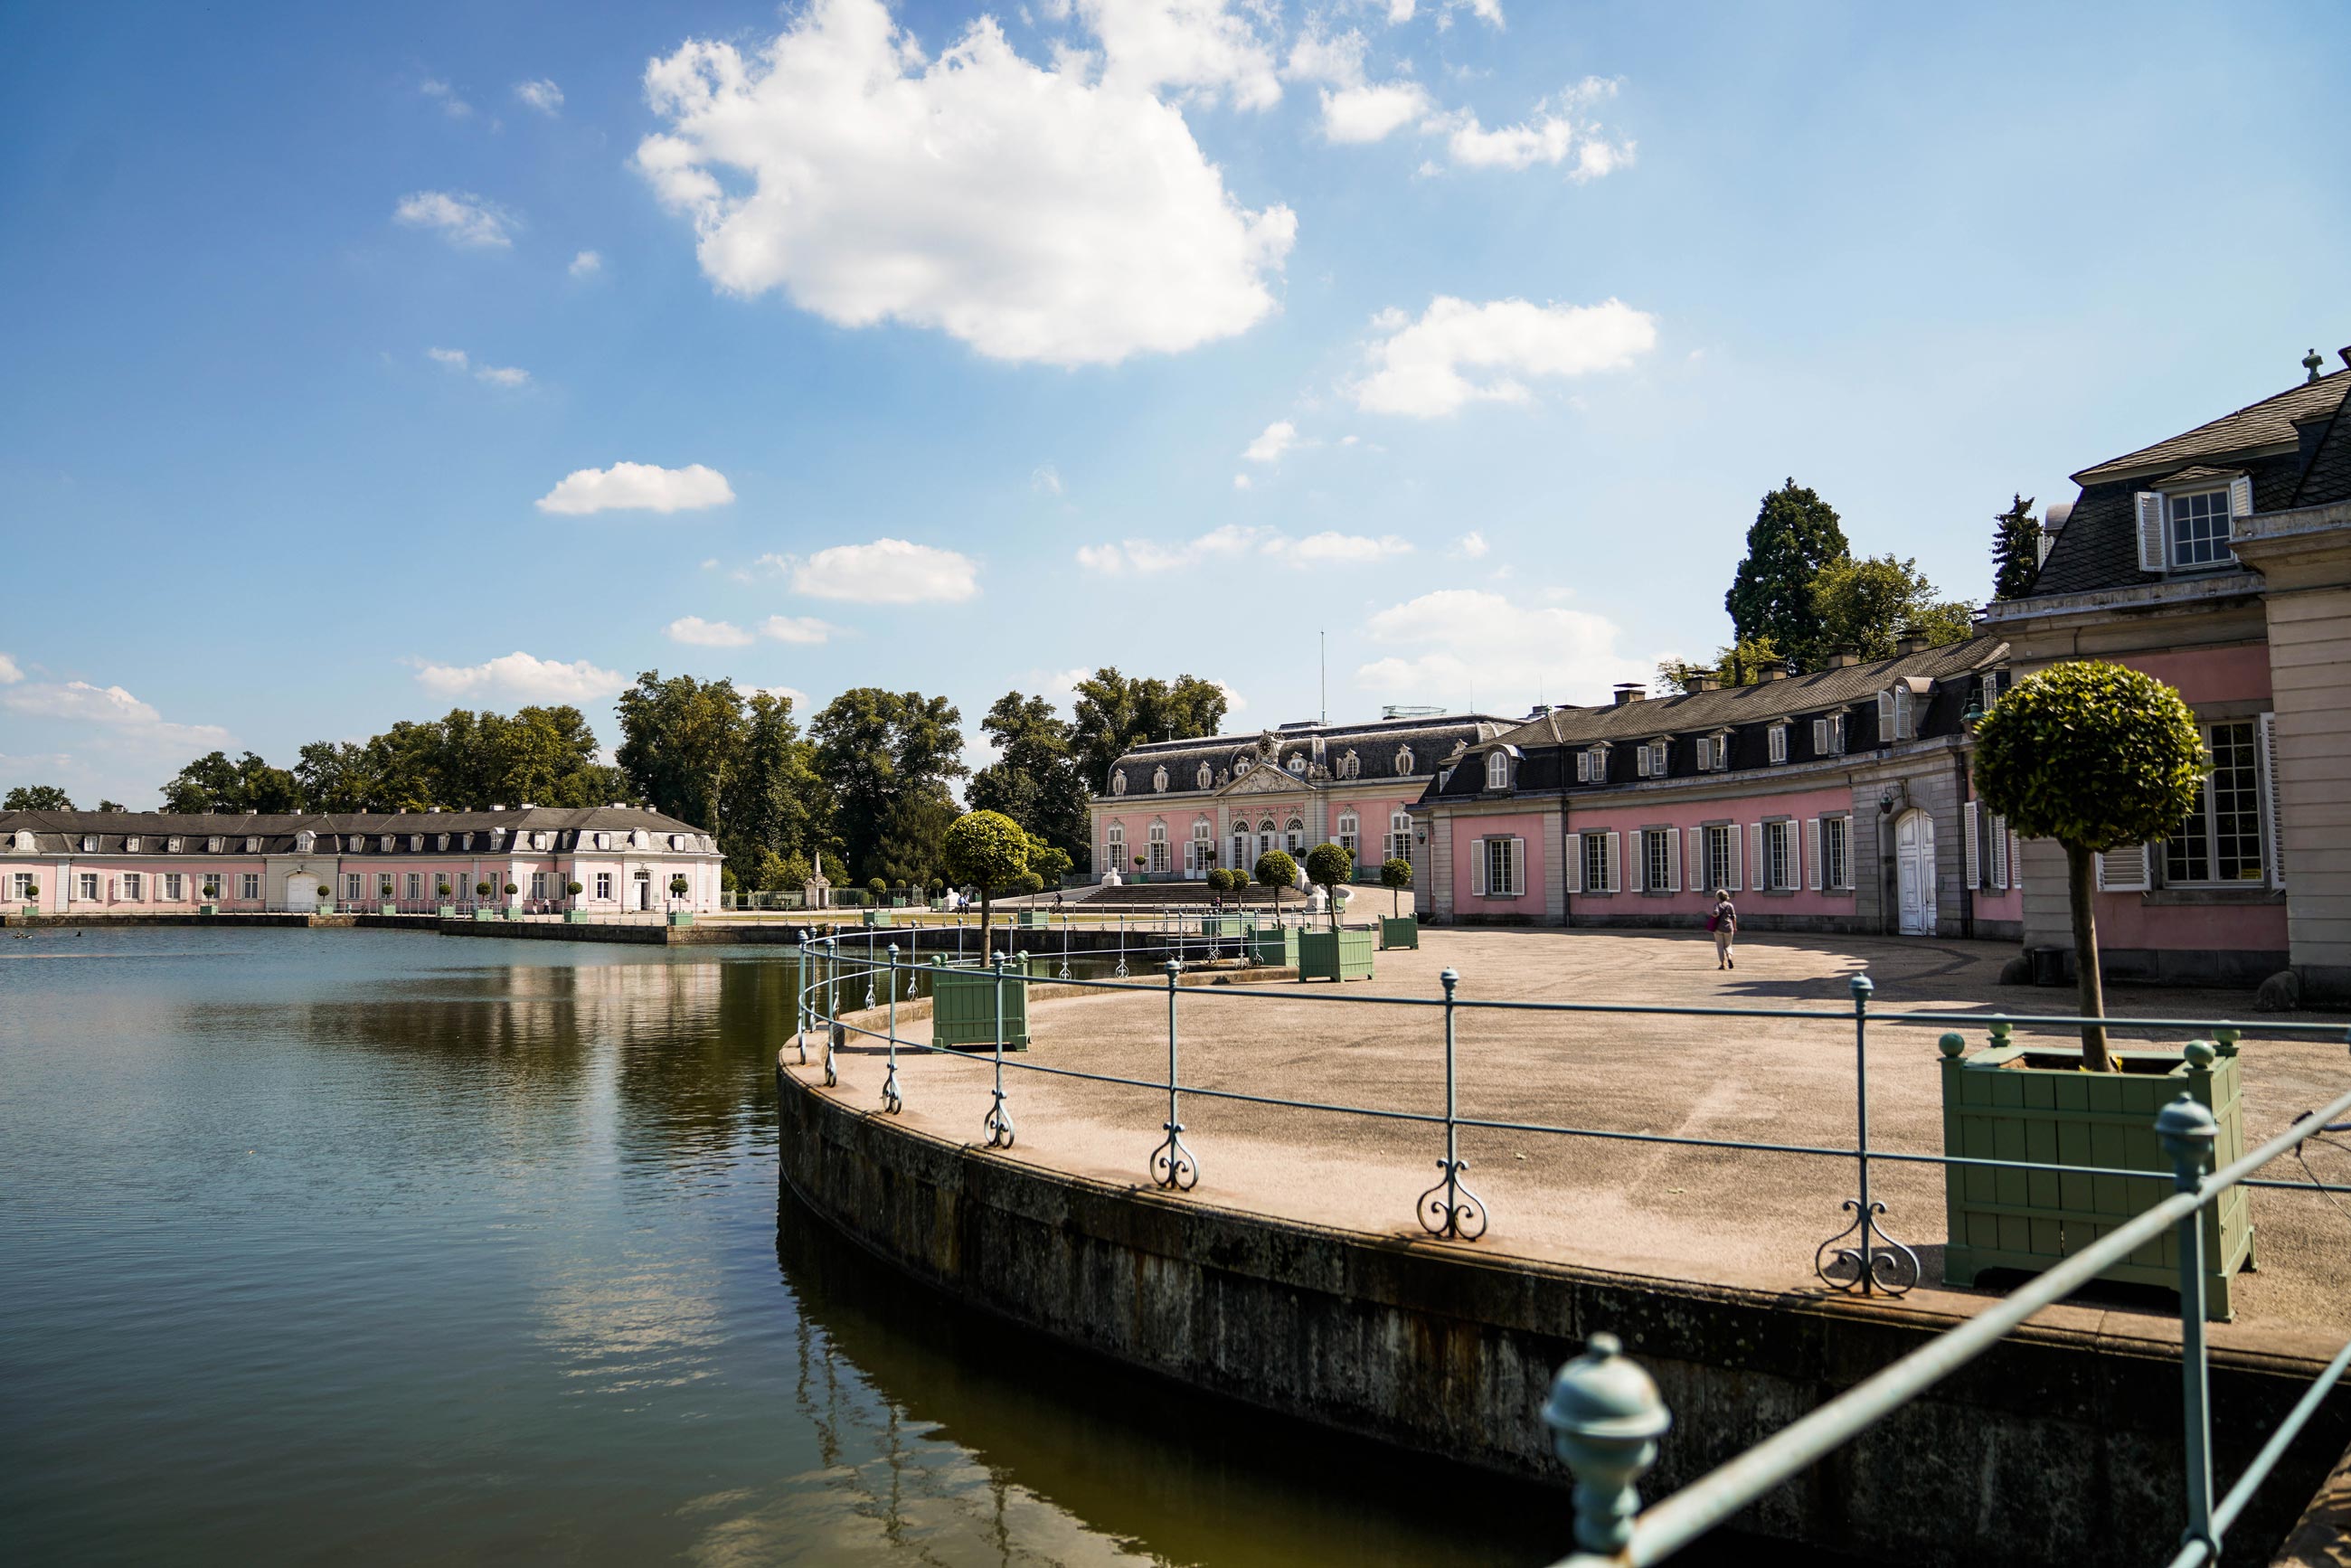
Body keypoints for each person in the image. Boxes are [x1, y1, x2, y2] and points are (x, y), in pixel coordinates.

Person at [1709, 888, 1739, 969]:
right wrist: (1735, 927)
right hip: (1729, 928)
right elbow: (1734, 917)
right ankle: (1729, 958)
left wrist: (1712, 916)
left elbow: (1716, 913)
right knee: (1728, 945)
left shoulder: (1717, 905)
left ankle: (1723, 963)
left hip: (1718, 928)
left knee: (1720, 946)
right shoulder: (1730, 905)